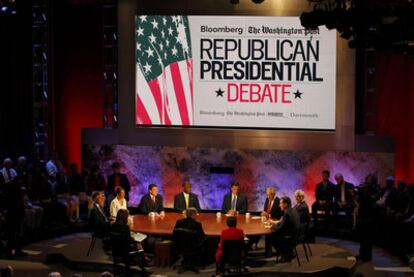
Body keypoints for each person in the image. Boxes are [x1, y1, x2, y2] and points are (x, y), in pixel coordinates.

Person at [268, 196, 300, 263]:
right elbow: (284, 225)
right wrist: (277, 224)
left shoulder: (287, 213)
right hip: (296, 235)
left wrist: (272, 226)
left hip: (290, 238)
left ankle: (284, 255)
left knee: (270, 236)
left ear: (285, 204)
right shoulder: (292, 210)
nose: (279, 205)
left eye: (280, 203)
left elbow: (280, 229)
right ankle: (289, 252)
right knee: (275, 233)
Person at [356, 174, 379, 262]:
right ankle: (361, 254)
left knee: (368, 238)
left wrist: (366, 190)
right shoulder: (362, 189)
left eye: (369, 179)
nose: (366, 181)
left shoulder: (375, 190)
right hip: (362, 215)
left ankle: (367, 257)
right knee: (362, 237)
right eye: (366, 179)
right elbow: (359, 200)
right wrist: (358, 192)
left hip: (369, 216)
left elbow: (372, 200)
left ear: (372, 181)